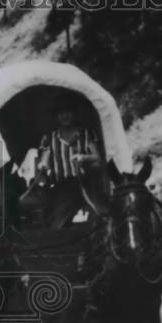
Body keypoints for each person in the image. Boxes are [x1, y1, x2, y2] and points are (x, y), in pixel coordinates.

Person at [31, 94, 108, 228]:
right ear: (56, 117)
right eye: (61, 113)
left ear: (74, 113)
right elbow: (44, 159)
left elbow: (98, 157)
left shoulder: (85, 134)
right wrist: (42, 165)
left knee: (102, 216)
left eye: (68, 112)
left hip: (87, 183)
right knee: (56, 224)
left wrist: (83, 157)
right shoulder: (49, 138)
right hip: (63, 187)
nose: (65, 116)